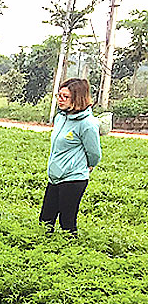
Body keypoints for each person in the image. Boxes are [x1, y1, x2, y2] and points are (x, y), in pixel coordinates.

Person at [40, 78, 102, 235]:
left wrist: (88, 166)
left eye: (65, 96)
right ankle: (46, 254)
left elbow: (94, 153)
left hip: (73, 179)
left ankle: (70, 256)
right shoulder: (60, 118)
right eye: (59, 95)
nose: (60, 99)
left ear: (77, 98)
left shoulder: (87, 124)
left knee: (67, 223)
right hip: (54, 177)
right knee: (45, 221)